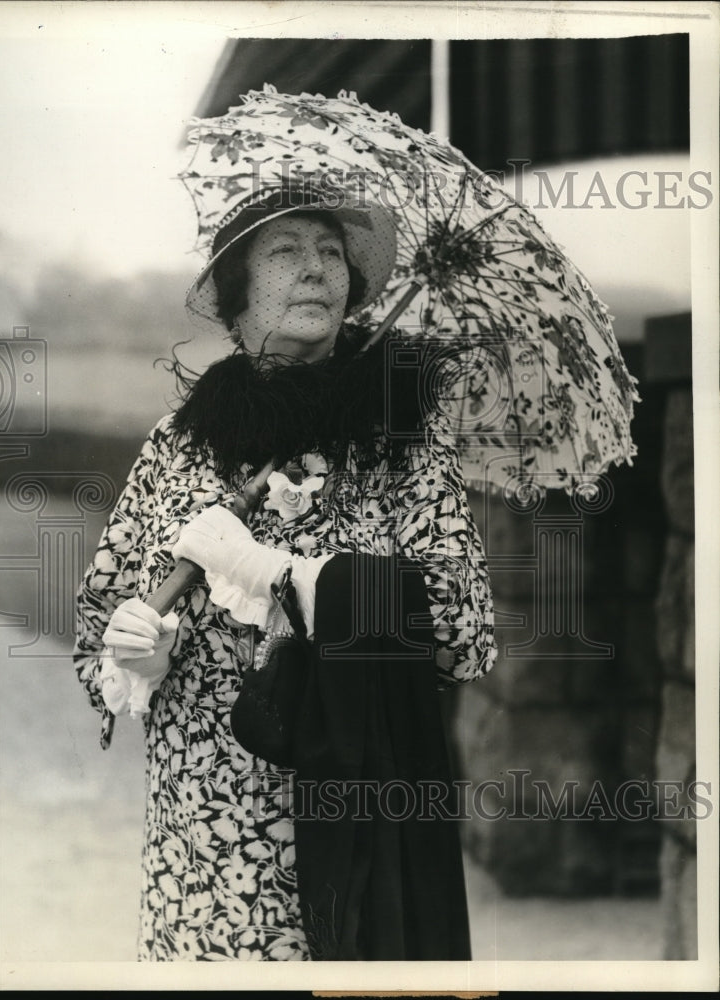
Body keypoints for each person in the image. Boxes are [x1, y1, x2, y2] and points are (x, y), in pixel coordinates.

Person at [73, 189, 498, 961]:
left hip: (341, 827)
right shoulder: (179, 442)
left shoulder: (398, 436)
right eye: (286, 252)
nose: (316, 271)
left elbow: (462, 630)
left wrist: (282, 574)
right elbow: (105, 608)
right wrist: (134, 657)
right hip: (200, 840)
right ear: (238, 292)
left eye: (330, 253)